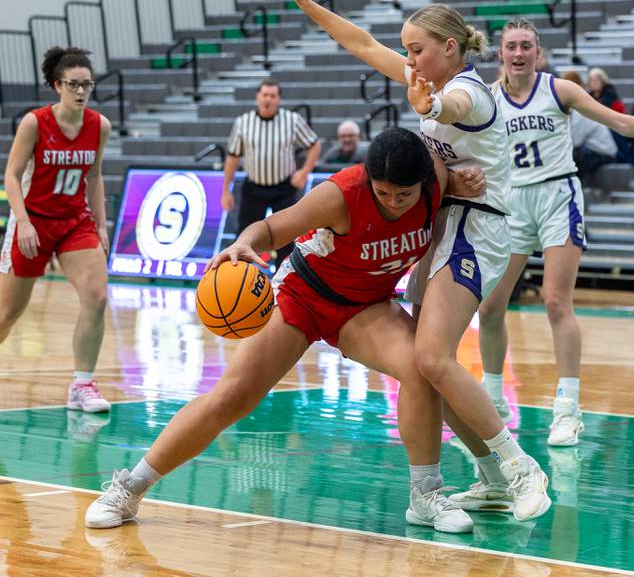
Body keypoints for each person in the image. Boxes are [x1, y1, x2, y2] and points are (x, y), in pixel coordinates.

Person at [86, 128, 485, 533]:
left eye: (404, 196)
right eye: (384, 194)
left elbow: (465, 172)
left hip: (367, 306)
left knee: (420, 368)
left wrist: (470, 178)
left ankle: (426, 494)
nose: (395, 204)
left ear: (425, 184)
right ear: (368, 180)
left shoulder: (436, 184)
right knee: (232, 396)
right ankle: (128, 488)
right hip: (305, 294)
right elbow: (274, 229)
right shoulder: (341, 193)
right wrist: (244, 243)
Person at [293, 0, 552, 522]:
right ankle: (488, 478)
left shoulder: (468, 91)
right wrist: (311, 8)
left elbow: (454, 106)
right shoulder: (426, 79)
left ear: (451, 48)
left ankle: (519, 467)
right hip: (439, 229)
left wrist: (432, 104)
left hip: (475, 229)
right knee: (428, 363)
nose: (409, 60)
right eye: (406, 51)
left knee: (433, 357)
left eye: (417, 50)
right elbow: (362, 45)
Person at [457, 18, 634, 489]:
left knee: (557, 302)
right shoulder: (487, 99)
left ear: (539, 53)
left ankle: (568, 408)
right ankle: (493, 402)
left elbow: (618, 121)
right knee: (491, 305)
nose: (519, 53)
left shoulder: (559, 90)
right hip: (511, 200)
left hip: (558, 196)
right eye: (511, 46)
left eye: (527, 46)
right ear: (500, 54)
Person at [0, 47, 112, 413]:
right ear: (56, 85)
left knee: (96, 297)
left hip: (74, 222)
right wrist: (24, 222)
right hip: (32, 219)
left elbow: (93, 177)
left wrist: (100, 223)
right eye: (73, 85)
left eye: (87, 85)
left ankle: (82, 384)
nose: (81, 92)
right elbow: (12, 177)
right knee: (7, 314)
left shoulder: (99, 126)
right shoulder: (34, 123)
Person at [222, 79, 321, 269]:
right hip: (254, 187)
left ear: (279, 99)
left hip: (283, 188)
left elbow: (315, 145)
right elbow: (233, 157)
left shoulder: (292, 120)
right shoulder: (243, 122)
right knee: (243, 237)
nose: (268, 99)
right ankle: (239, 279)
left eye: (272, 96)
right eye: (265, 95)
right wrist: (225, 190)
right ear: (258, 97)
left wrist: (304, 172)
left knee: (287, 239)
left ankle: (284, 283)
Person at [561, 71, 617, 178]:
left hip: (604, 153)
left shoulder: (580, 112)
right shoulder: (574, 110)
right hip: (592, 148)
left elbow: (575, 142)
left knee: (575, 159)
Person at [586, 67, 632, 163]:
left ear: (602, 81)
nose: (594, 82)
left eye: (596, 80)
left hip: (613, 124)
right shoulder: (587, 96)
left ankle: (626, 159)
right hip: (595, 126)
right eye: (592, 80)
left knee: (613, 132)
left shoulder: (610, 94)